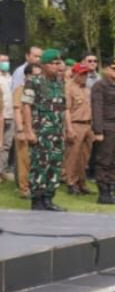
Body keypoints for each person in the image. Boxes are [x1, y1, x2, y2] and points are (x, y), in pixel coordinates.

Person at [22, 49, 68, 211]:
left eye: (59, 63)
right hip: (41, 131)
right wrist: (29, 130)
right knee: (40, 165)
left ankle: (48, 198)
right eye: (53, 63)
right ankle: (37, 199)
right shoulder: (34, 81)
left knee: (55, 165)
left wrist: (65, 130)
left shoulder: (59, 82)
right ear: (43, 65)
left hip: (57, 132)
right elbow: (26, 106)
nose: (57, 66)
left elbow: (62, 108)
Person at [91, 59, 115, 205]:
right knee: (104, 161)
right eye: (114, 68)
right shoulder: (100, 86)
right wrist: (98, 130)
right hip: (107, 127)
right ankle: (103, 192)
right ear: (106, 69)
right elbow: (97, 108)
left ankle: (112, 190)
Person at [64, 62, 95, 195]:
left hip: (88, 124)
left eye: (86, 73)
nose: (84, 76)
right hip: (76, 124)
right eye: (82, 73)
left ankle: (81, 182)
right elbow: (66, 110)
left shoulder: (87, 89)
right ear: (75, 74)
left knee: (84, 157)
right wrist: (69, 128)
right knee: (73, 156)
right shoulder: (69, 87)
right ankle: (71, 182)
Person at [13, 63, 42, 198]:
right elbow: (17, 110)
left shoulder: (40, 90)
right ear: (27, 76)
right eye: (36, 75)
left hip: (39, 128)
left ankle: (37, 186)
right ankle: (24, 189)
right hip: (24, 128)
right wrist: (20, 130)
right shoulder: (21, 90)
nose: (39, 78)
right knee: (25, 161)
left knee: (37, 160)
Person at [0, 54, 14, 181]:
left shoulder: (11, 77)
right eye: (2, 61)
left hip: (11, 114)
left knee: (6, 145)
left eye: (6, 61)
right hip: (1, 115)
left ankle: (2, 170)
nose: (5, 63)